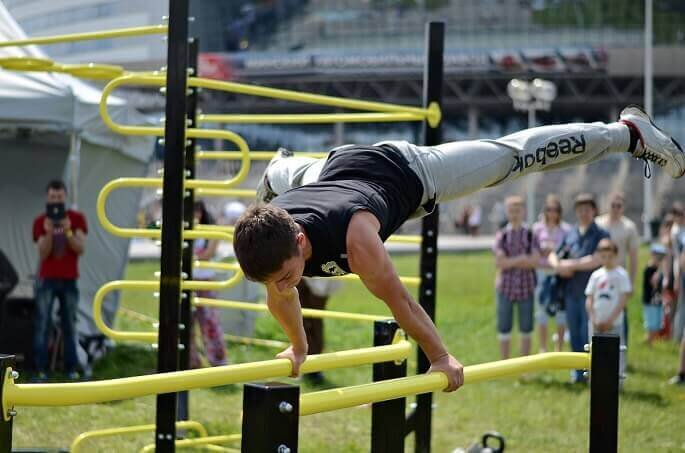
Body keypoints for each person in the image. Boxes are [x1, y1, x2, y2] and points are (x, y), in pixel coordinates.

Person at [235, 106, 683, 392]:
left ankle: (627, 133)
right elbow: (282, 294)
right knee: (289, 180)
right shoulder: (274, 238)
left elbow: (402, 303)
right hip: (326, 174)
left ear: (299, 241)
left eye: (288, 276)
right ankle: (279, 169)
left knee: (513, 157)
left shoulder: (358, 241)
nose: (285, 286)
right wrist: (297, 348)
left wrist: (440, 356)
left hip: (407, 172)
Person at [549, 193, 610, 383]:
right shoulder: (570, 233)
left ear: (594, 211)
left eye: (587, 209)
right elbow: (554, 254)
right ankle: (578, 372)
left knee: (588, 332)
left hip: (591, 294)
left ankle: (594, 371)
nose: (583, 213)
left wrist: (569, 265)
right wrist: (557, 266)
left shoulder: (601, 234)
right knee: (574, 332)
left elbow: (597, 260)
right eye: (580, 210)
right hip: (570, 292)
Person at [32, 180, 87, 381]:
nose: (56, 201)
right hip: (46, 279)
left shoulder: (76, 218)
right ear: (47, 198)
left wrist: (68, 230)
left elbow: (80, 248)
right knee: (43, 324)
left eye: (59, 197)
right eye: (53, 197)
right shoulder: (40, 221)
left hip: (69, 279)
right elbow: (42, 253)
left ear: (65, 197)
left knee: (70, 325)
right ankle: (41, 369)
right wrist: (48, 232)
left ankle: (71, 369)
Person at [493, 196, 540, 359]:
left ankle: (523, 365)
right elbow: (499, 262)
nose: (514, 214)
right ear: (507, 212)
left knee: (526, 327)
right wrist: (521, 259)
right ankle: (505, 363)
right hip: (505, 287)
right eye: (511, 211)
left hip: (526, 287)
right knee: (504, 327)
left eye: (518, 210)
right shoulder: (502, 235)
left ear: (523, 212)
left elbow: (534, 261)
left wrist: (510, 261)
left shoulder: (530, 234)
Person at [595, 192, 639, 356]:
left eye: (618, 206)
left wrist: (632, 283)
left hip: (620, 277)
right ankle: (600, 352)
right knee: (600, 311)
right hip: (601, 276)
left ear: (623, 207)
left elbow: (633, 257)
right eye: (612, 205)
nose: (615, 209)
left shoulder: (629, 227)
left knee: (620, 314)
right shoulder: (598, 223)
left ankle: (621, 353)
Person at [585, 238, 631, 385]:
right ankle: (595, 381)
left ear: (615, 255)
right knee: (595, 352)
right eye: (603, 256)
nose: (607, 260)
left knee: (617, 352)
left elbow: (623, 300)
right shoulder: (596, 275)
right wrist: (594, 319)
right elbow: (589, 299)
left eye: (610, 256)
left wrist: (610, 320)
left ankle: (618, 382)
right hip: (596, 322)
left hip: (614, 322)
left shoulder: (621, 275)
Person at [190, 201, 228, 368]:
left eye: (197, 211)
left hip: (205, 281)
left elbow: (208, 254)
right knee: (187, 324)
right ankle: (191, 362)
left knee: (210, 323)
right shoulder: (184, 231)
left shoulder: (209, 230)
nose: (195, 215)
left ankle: (218, 362)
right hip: (188, 281)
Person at [532, 194, 571, 353]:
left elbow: (569, 250)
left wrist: (554, 252)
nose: (552, 213)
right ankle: (542, 348)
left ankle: (559, 348)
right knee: (541, 309)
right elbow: (532, 250)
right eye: (549, 209)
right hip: (542, 272)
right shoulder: (537, 228)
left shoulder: (566, 229)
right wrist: (541, 252)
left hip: (558, 273)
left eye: (555, 210)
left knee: (561, 310)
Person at [297, 278, 342, 385]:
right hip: (304, 272)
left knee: (314, 319)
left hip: (317, 275)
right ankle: (309, 366)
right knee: (304, 319)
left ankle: (313, 366)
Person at [643, 243, 667, 346]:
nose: (660, 259)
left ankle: (650, 342)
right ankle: (648, 342)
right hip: (650, 301)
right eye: (658, 256)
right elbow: (654, 282)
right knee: (651, 324)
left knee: (657, 323)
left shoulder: (658, 269)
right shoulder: (649, 269)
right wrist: (660, 270)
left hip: (657, 300)